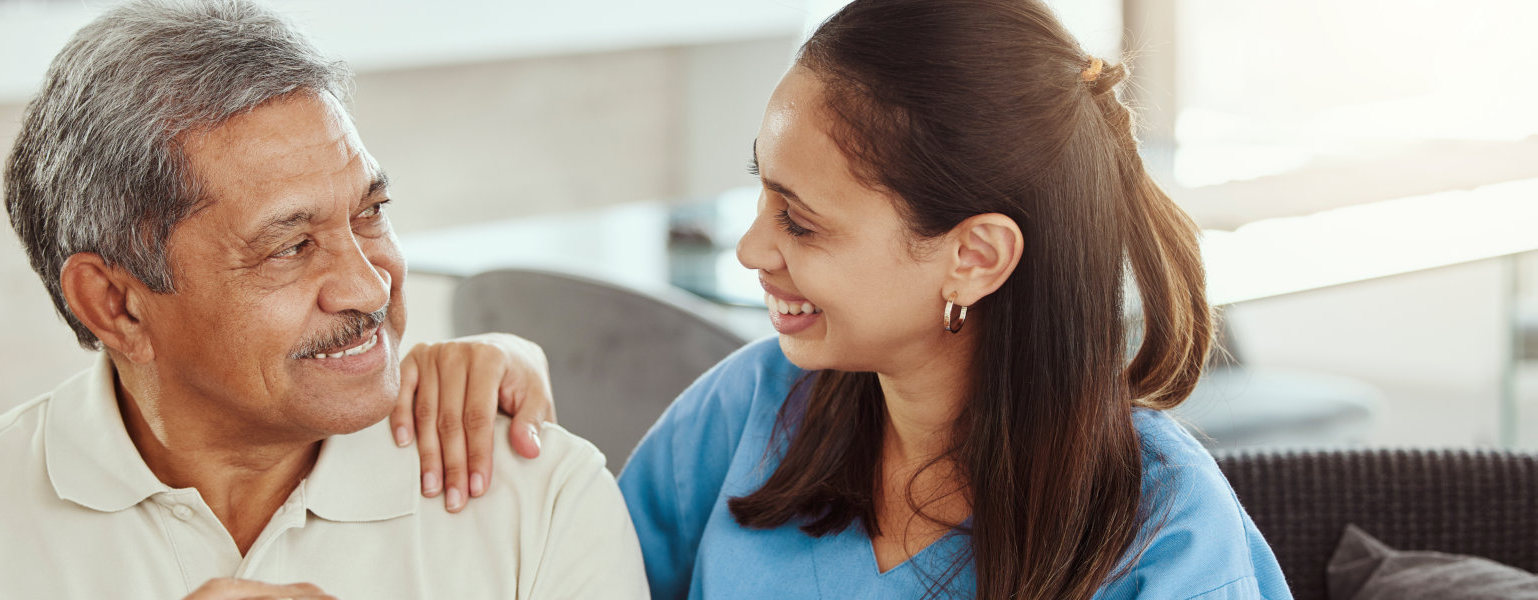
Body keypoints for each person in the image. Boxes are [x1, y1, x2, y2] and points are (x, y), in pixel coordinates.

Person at [397, 0, 1293, 597]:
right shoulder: (751, 406)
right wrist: (512, 404)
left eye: (803, 222)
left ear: (974, 257)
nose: (753, 250)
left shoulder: (1164, 530)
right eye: (761, 193)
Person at [0, 1, 647, 598]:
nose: (368, 284)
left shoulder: (541, 497)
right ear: (115, 304)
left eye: (371, 215)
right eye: (291, 247)